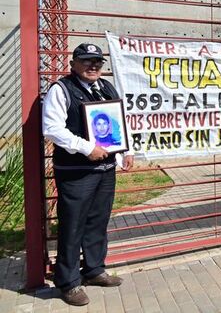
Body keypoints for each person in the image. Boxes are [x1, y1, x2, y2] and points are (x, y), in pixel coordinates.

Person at [42, 43, 134, 306]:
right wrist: (86, 148)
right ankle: (68, 282)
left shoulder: (106, 88)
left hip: (105, 170)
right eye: (87, 61)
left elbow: (119, 122)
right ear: (73, 64)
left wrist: (126, 151)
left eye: (97, 62)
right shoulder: (61, 90)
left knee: (97, 221)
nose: (93, 66)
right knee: (72, 226)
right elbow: (52, 129)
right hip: (76, 172)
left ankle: (94, 270)